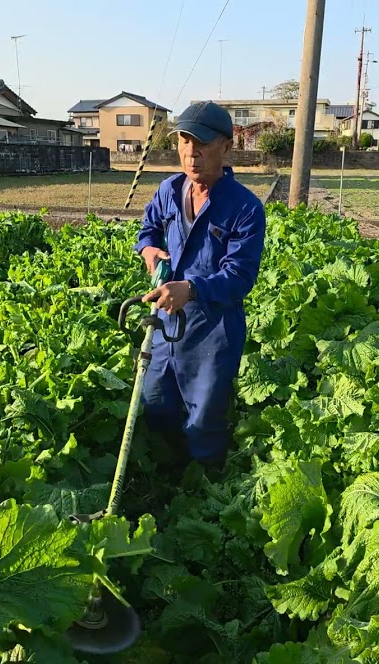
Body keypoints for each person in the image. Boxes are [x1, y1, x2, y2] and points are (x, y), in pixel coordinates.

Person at [132, 100, 265, 475]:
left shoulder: (244, 208)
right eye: (184, 142)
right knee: (157, 401)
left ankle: (204, 489)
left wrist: (190, 289)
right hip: (167, 323)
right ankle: (166, 480)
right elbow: (148, 231)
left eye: (202, 144)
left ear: (227, 145)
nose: (192, 153)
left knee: (204, 418)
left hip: (213, 329)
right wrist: (149, 250)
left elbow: (239, 276)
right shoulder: (169, 191)